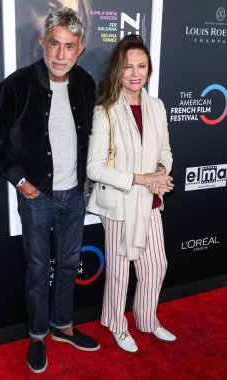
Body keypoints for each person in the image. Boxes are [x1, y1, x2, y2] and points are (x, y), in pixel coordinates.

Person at [0, 7, 99, 374]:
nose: (60, 55)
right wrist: (19, 179)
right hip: (37, 196)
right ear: (43, 44)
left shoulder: (86, 83)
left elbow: (91, 135)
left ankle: (63, 325)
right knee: (36, 269)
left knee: (67, 264)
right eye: (54, 45)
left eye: (69, 47)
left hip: (75, 196)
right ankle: (37, 335)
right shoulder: (17, 85)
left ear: (79, 49)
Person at [86, 34, 176, 353]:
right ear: (117, 70)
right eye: (128, 67)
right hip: (120, 204)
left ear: (149, 68)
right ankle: (117, 325)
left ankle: (147, 320)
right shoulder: (106, 108)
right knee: (121, 273)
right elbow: (94, 169)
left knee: (156, 265)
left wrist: (161, 174)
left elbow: (165, 151)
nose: (136, 73)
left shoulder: (156, 106)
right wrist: (142, 178)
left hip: (149, 204)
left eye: (141, 66)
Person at [16, 0, 91, 68]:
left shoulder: (85, 81)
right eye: (49, 10)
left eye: (72, 20)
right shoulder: (12, 81)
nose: (62, 31)